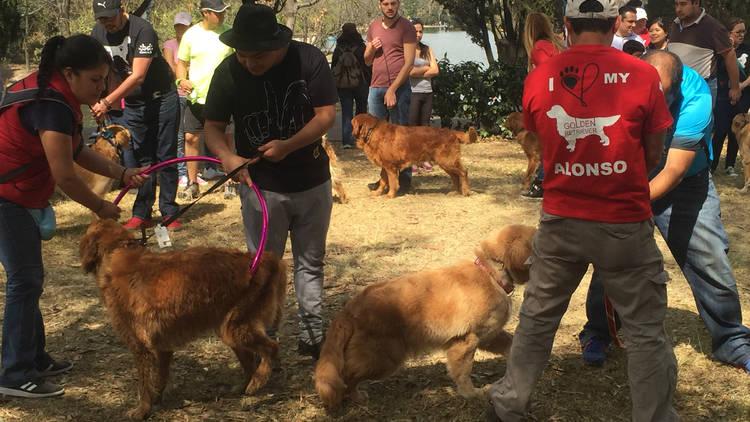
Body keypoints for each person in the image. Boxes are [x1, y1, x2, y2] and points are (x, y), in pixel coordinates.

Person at [485, 0, 678, 420]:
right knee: (645, 330)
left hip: (560, 220)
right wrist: (622, 180)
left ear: (567, 26)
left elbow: (542, 140)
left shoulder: (540, 75)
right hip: (624, 222)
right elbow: (654, 149)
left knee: (537, 318)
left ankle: (507, 404)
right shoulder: (643, 73)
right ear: (614, 26)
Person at [579, 50, 750, 375]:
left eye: (660, 98)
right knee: (611, 259)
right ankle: (598, 331)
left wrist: (629, 204)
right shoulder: (619, 85)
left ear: (677, 87)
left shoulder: (697, 97)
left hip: (686, 182)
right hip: (631, 175)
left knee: (710, 258)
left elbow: (673, 170)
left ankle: (733, 341)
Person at [0, 34, 147, 398]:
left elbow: (78, 150)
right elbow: (65, 174)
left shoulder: (56, 94)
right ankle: (15, 373)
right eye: (95, 80)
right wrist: (101, 208)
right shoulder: (51, 104)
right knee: (25, 280)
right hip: (5, 197)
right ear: (70, 72)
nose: (102, 88)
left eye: (104, 80)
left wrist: (122, 174)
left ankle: (33, 356)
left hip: (19, 196)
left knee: (28, 277)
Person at [203, 2, 337, 359]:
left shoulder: (308, 60)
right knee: (262, 269)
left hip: (312, 184)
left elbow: (326, 115)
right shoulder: (228, 71)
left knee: (311, 262)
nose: (250, 63)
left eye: (257, 56)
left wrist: (290, 145)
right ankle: (266, 343)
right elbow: (212, 127)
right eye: (243, 55)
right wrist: (229, 158)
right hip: (260, 190)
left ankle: (312, 337)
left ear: (278, 45)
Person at [90, 0, 181, 230]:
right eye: (102, 19)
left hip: (163, 99)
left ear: (122, 10)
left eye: (110, 17)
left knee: (166, 156)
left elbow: (138, 75)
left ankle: (169, 211)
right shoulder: (97, 33)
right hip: (133, 103)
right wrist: (95, 98)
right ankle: (142, 212)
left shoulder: (143, 30)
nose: (107, 23)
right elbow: (96, 69)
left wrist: (107, 102)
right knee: (141, 159)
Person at [175, 0, 235, 200]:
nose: (223, 16)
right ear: (205, 13)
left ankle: (230, 181)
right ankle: (192, 183)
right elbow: (181, 63)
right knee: (191, 138)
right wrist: (181, 79)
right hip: (197, 99)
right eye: (218, 13)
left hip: (224, 99)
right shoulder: (191, 35)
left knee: (226, 140)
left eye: (224, 12)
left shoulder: (229, 34)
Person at [364, 0, 416, 192]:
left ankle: (405, 179)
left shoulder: (407, 27)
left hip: (398, 89)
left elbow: (409, 62)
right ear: (380, 5)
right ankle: (384, 180)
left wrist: (393, 89)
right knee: (377, 137)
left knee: (400, 135)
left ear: (399, 4)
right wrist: (371, 49)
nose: (390, 7)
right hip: (375, 87)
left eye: (393, 3)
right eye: (386, 3)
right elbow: (367, 61)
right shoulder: (374, 26)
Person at [521, 12, 565, 199]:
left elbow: (547, 73)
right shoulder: (558, 45)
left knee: (547, 146)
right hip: (566, 100)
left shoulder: (538, 48)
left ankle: (541, 183)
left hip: (549, 102)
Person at [669, 0, 741, 108]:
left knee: (700, 124)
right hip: (675, 89)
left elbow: (730, 55)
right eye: (676, 4)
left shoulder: (713, 27)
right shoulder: (675, 24)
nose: (678, 9)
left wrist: (735, 88)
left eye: (683, 4)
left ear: (696, 3)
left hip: (700, 90)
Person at [711, 18, 750, 176]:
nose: (741, 35)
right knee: (720, 130)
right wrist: (729, 48)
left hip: (743, 95)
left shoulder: (748, 48)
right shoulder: (720, 51)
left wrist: (741, 86)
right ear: (729, 33)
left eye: (743, 31)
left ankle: (730, 165)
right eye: (738, 31)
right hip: (722, 96)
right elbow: (716, 70)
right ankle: (712, 165)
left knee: (737, 131)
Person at [162, 11, 192, 190]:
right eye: (178, 26)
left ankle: (194, 173)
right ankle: (182, 173)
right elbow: (171, 68)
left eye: (184, 26)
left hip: (194, 94)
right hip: (178, 94)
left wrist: (184, 69)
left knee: (193, 136)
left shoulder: (194, 42)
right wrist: (185, 69)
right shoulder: (169, 45)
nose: (181, 29)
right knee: (180, 135)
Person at [331, 22, 370, 149]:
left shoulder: (338, 48)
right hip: (360, 83)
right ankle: (361, 139)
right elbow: (367, 65)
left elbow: (333, 68)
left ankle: (347, 141)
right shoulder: (361, 47)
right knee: (361, 111)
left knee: (347, 112)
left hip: (343, 86)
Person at [408, 18, 439, 174]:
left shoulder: (427, 49)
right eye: (415, 31)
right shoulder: (406, 49)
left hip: (427, 92)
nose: (418, 34)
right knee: (412, 129)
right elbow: (409, 72)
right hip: (412, 93)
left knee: (424, 128)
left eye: (420, 31)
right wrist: (426, 68)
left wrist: (419, 70)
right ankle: (412, 161)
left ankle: (424, 159)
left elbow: (436, 70)